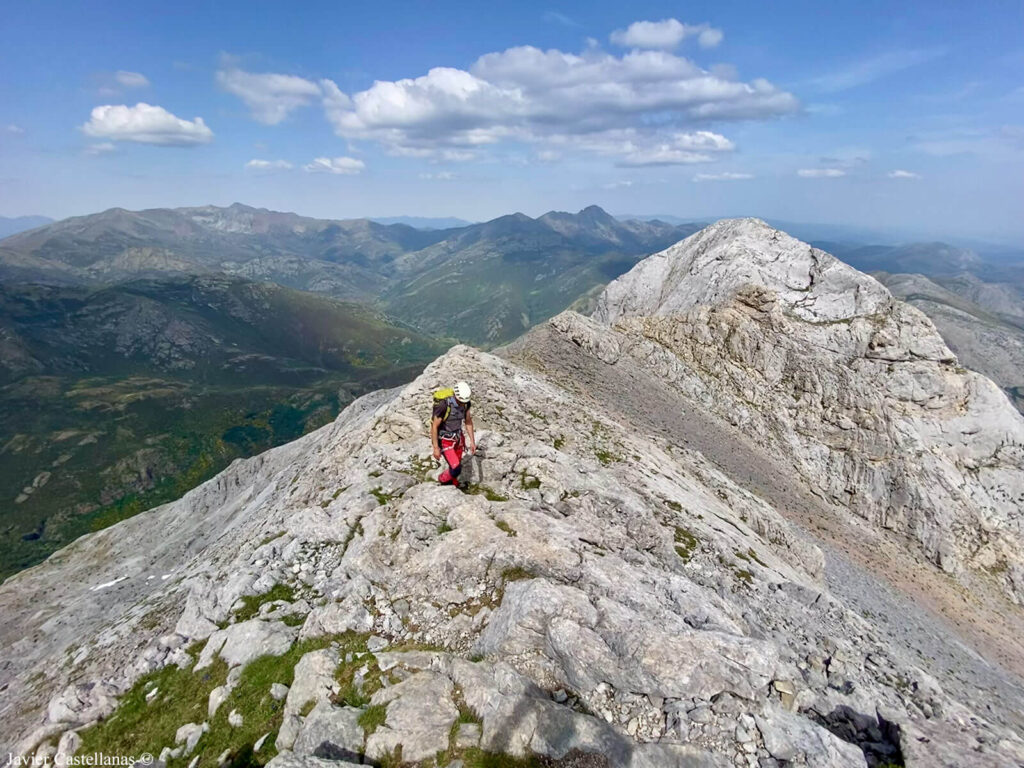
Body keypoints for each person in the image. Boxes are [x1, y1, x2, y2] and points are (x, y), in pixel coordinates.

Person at [431, 380, 476, 487]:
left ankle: (453, 484)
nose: (462, 403)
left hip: (458, 438)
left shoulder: (466, 404)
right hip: (445, 440)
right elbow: (434, 426)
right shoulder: (444, 405)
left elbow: (468, 422)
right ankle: (442, 479)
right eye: (460, 401)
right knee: (456, 467)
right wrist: (436, 447)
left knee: (456, 464)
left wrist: (472, 442)